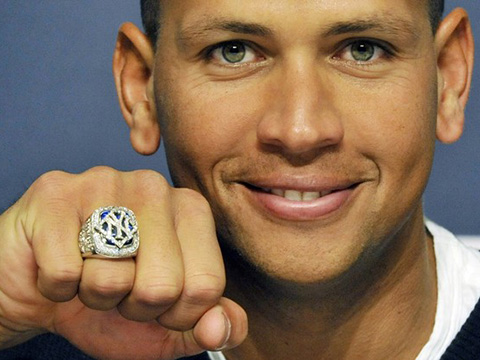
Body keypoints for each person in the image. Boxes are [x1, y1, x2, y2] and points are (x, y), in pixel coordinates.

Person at [0, 0, 478, 359]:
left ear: (447, 79)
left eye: (363, 50)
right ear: (141, 89)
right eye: (233, 52)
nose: (300, 131)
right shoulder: (38, 328)